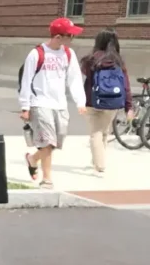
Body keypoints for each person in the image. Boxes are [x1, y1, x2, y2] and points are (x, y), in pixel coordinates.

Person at [19, 17, 87, 189]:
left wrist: (80, 100)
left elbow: (74, 78)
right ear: (58, 37)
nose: (72, 39)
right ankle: (47, 178)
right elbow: (26, 81)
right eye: (70, 36)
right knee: (48, 143)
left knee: (55, 142)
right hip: (40, 103)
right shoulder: (36, 54)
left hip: (60, 105)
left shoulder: (68, 54)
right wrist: (25, 106)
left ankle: (33, 159)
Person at [80, 29, 134, 174]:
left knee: (95, 133)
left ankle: (100, 164)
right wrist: (129, 106)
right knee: (104, 131)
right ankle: (97, 160)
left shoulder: (90, 59)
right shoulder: (118, 61)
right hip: (113, 102)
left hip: (93, 100)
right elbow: (126, 85)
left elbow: (85, 77)